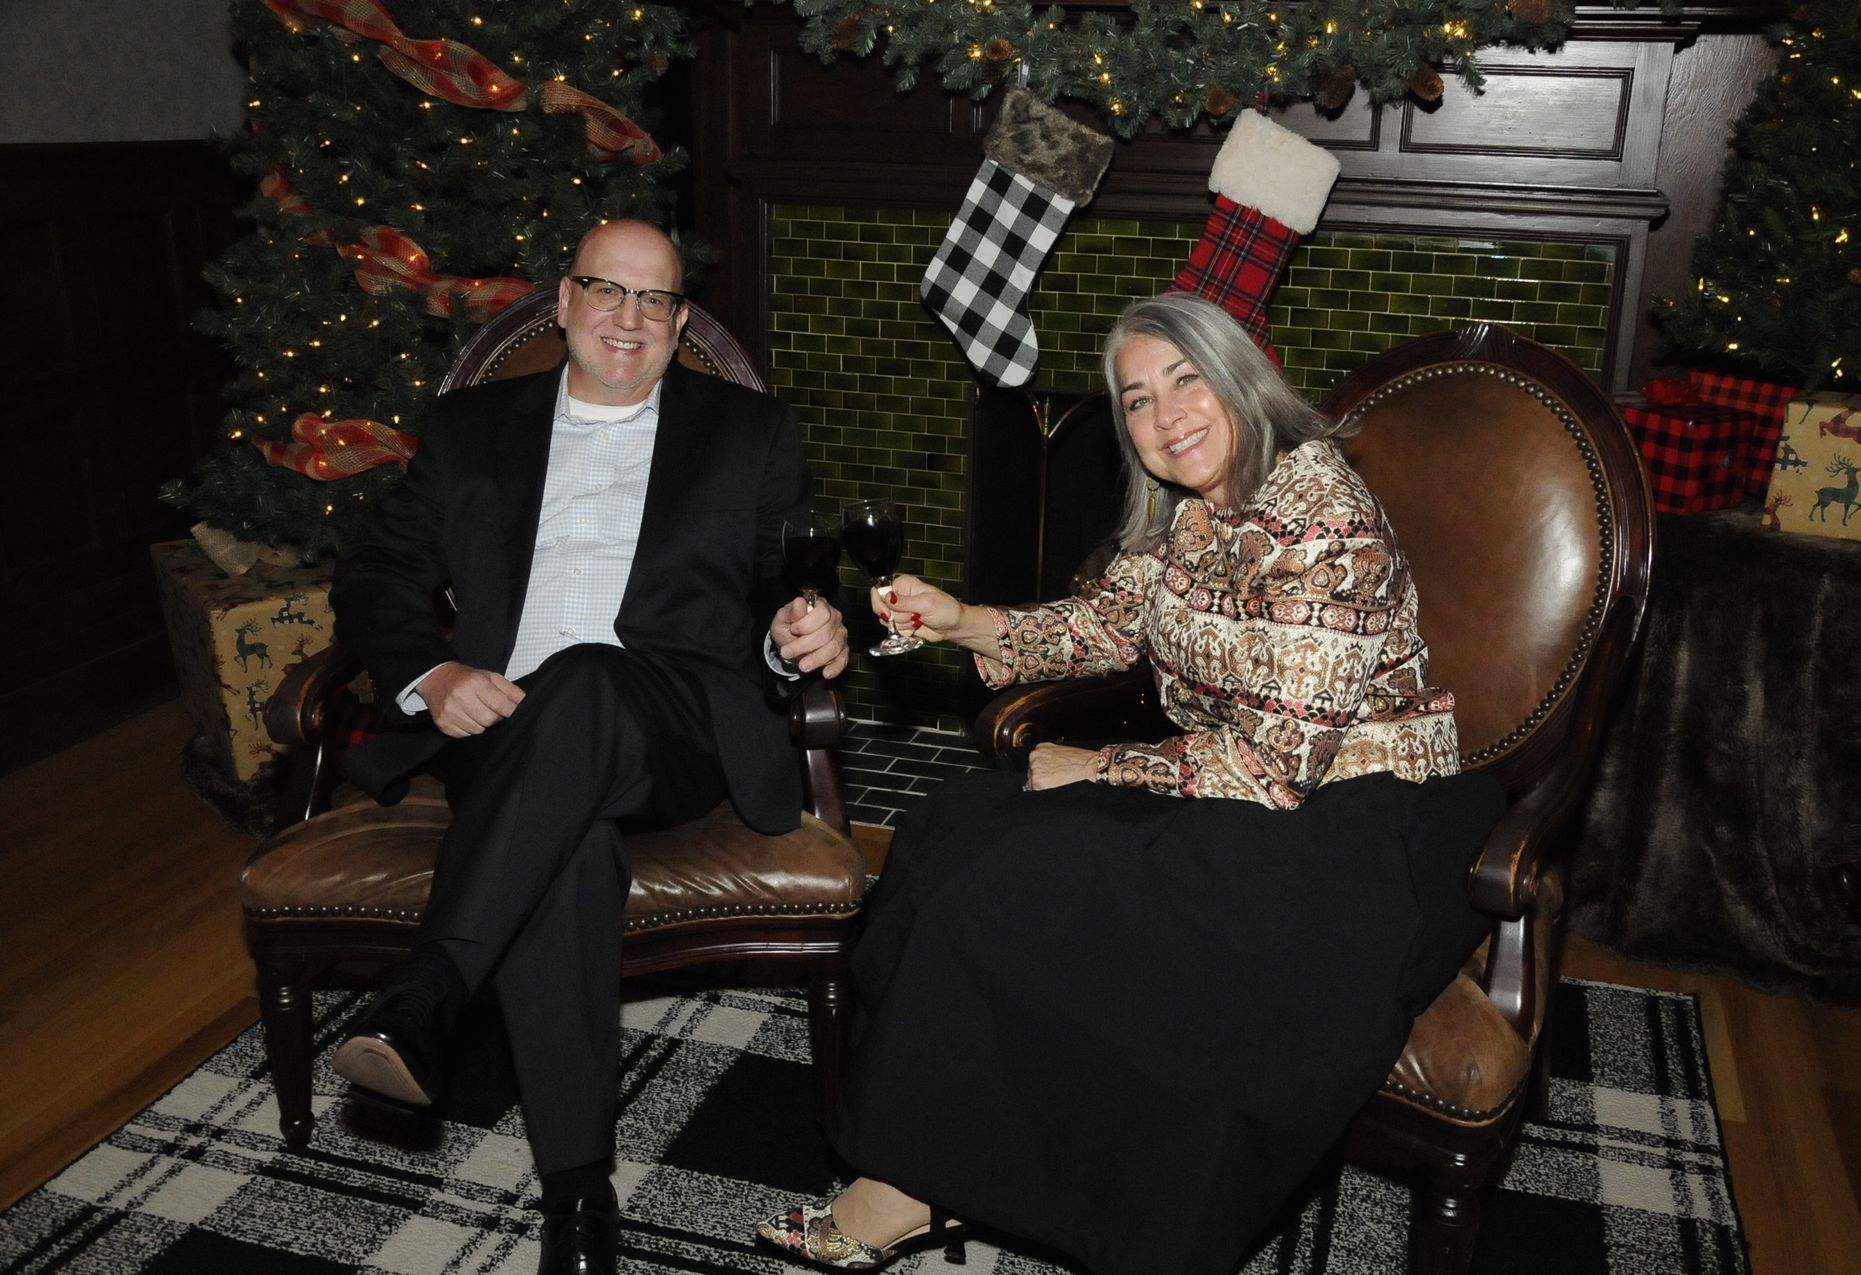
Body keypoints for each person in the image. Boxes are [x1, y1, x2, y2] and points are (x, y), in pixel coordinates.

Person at [754, 293, 1505, 1274]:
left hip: (1359, 819)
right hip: (1230, 782)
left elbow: (1280, 765)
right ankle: (935, 1171)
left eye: (1186, 381)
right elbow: (1103, 627)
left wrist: (1107, 764)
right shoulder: (1197, 512)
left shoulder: (1323, 522)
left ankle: (996, 1199)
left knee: (1059, 896)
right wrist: (960, 620)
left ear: (1240, 379)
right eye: (1138, 399)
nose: (1166, 416)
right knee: (957, 834)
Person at [326, 219, 849, 1275]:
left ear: (681, 323)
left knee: (588, 675)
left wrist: (808, 635)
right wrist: (435, 677)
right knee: (563, 844)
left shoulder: (747, 432)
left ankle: (431, 989)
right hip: (499, 730)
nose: (629, 317)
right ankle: (578, 1199)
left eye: (654, 301)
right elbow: (376, 578)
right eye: (608, 291)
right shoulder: (472, 428)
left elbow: (792, 590)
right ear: (561, 303)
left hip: (675, 727)